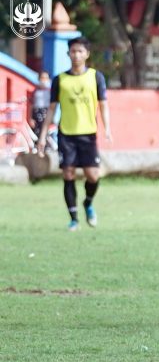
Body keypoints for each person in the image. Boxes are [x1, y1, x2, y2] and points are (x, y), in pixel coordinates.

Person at [36, 37, 112, 231]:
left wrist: (108, 129)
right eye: (73, 51)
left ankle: (87, 203)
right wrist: (43, 136)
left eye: (80, 51)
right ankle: (74, 219)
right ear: (68, 54)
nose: (76, 55)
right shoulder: (60, 80)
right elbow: (51, 109)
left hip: (88, 134)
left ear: (87, 54)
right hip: (67, 134)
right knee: (68, 173)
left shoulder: (96, 77)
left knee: (93, 175)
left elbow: (103, 106)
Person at [29, 71, 50, 138]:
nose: (44, 80)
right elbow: (31, 105)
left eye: (46, 78)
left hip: (47, 113)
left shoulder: (50, 91)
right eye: (42, 78)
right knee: (36, 134)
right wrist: (30, 118)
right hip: (37, 114)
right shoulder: (35, 91)